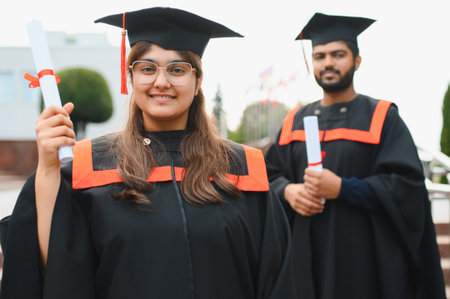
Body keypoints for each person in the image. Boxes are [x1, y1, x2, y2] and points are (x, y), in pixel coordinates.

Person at [0, 7, 296, 299]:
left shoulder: (244, 168)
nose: (161, 82)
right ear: (131, 78)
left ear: (198, 82)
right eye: (147, 68)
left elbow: (276, 277)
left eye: (178, 69)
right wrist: (48, 169)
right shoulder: (88, 165)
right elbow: (52, 268)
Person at [264, 12, 446, 299]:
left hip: (360, 262)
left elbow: (406, 186)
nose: (328, 63)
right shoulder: (295, 120)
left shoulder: (382, 116)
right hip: (301, 261)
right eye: (320, 56)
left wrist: (343, 188)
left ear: (356, 61)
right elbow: (268, 174)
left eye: (338, 55)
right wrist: (288, 191)